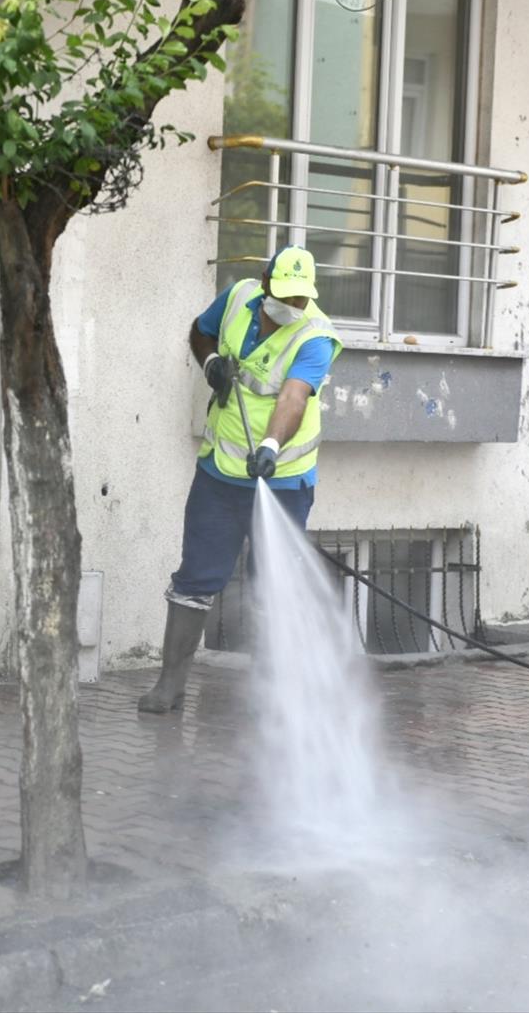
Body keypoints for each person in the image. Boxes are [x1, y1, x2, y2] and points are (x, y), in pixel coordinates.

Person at [138, 246, 343, 713]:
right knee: (195, 578)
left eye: (302, 297)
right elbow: (200, 332)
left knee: (273, 585)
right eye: (285, 294)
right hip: (219, 475)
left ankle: (274, 696)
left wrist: (270, 446)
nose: (293, 306)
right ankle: (169, 687)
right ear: (266, 283)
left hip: (282, 481)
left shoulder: (315, 337)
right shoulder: (237, 298)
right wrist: (210, 364)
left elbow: (293, 397)